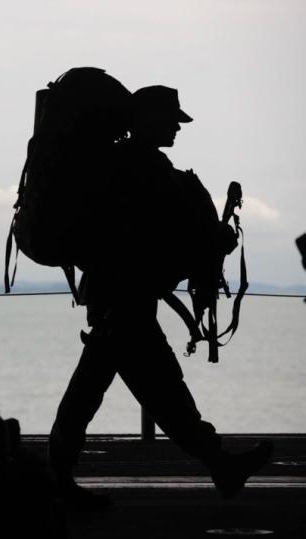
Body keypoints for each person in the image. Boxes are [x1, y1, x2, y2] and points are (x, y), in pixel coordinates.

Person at [47, 85, 273, 509]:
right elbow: (169, 231)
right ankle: (218, 463)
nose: (176, 127)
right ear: (147, 120)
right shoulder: (140, 167)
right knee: (147, 394)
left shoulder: (129, 164)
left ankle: (219, 464)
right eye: (171, 120)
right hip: (124, 299)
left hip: (121, 298)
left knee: (137, 392)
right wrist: (218, 237)